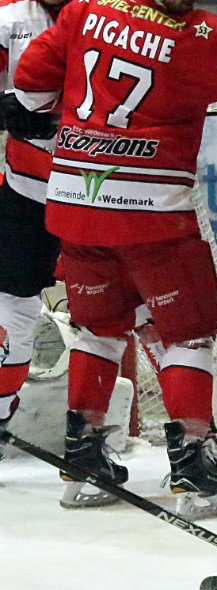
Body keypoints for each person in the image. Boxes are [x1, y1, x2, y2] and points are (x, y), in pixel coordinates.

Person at [13, 0, 217, 519]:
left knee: (99, 329)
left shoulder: (82, 10)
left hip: (75, 201)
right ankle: (194, 467)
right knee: (187, 333)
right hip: (152, 214)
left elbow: (30, 88)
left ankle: (84, 458)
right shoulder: (197, 34)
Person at [0, 0, 66, 457]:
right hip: (29, 190)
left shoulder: (119, 14)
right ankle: (1, 411)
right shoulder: (8, 18)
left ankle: (195, 443)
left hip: (112, 194)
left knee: (130, 314)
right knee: (11, 305)